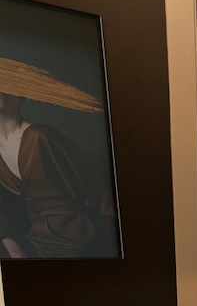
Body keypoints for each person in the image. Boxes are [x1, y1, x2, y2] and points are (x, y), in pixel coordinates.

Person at [0, 61, 118, 259]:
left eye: (9, 83)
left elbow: (96, 184)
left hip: (81, 235)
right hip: (40, 239)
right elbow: (6, 209)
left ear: (23, 96)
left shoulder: (41, 135)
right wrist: (12, 247)